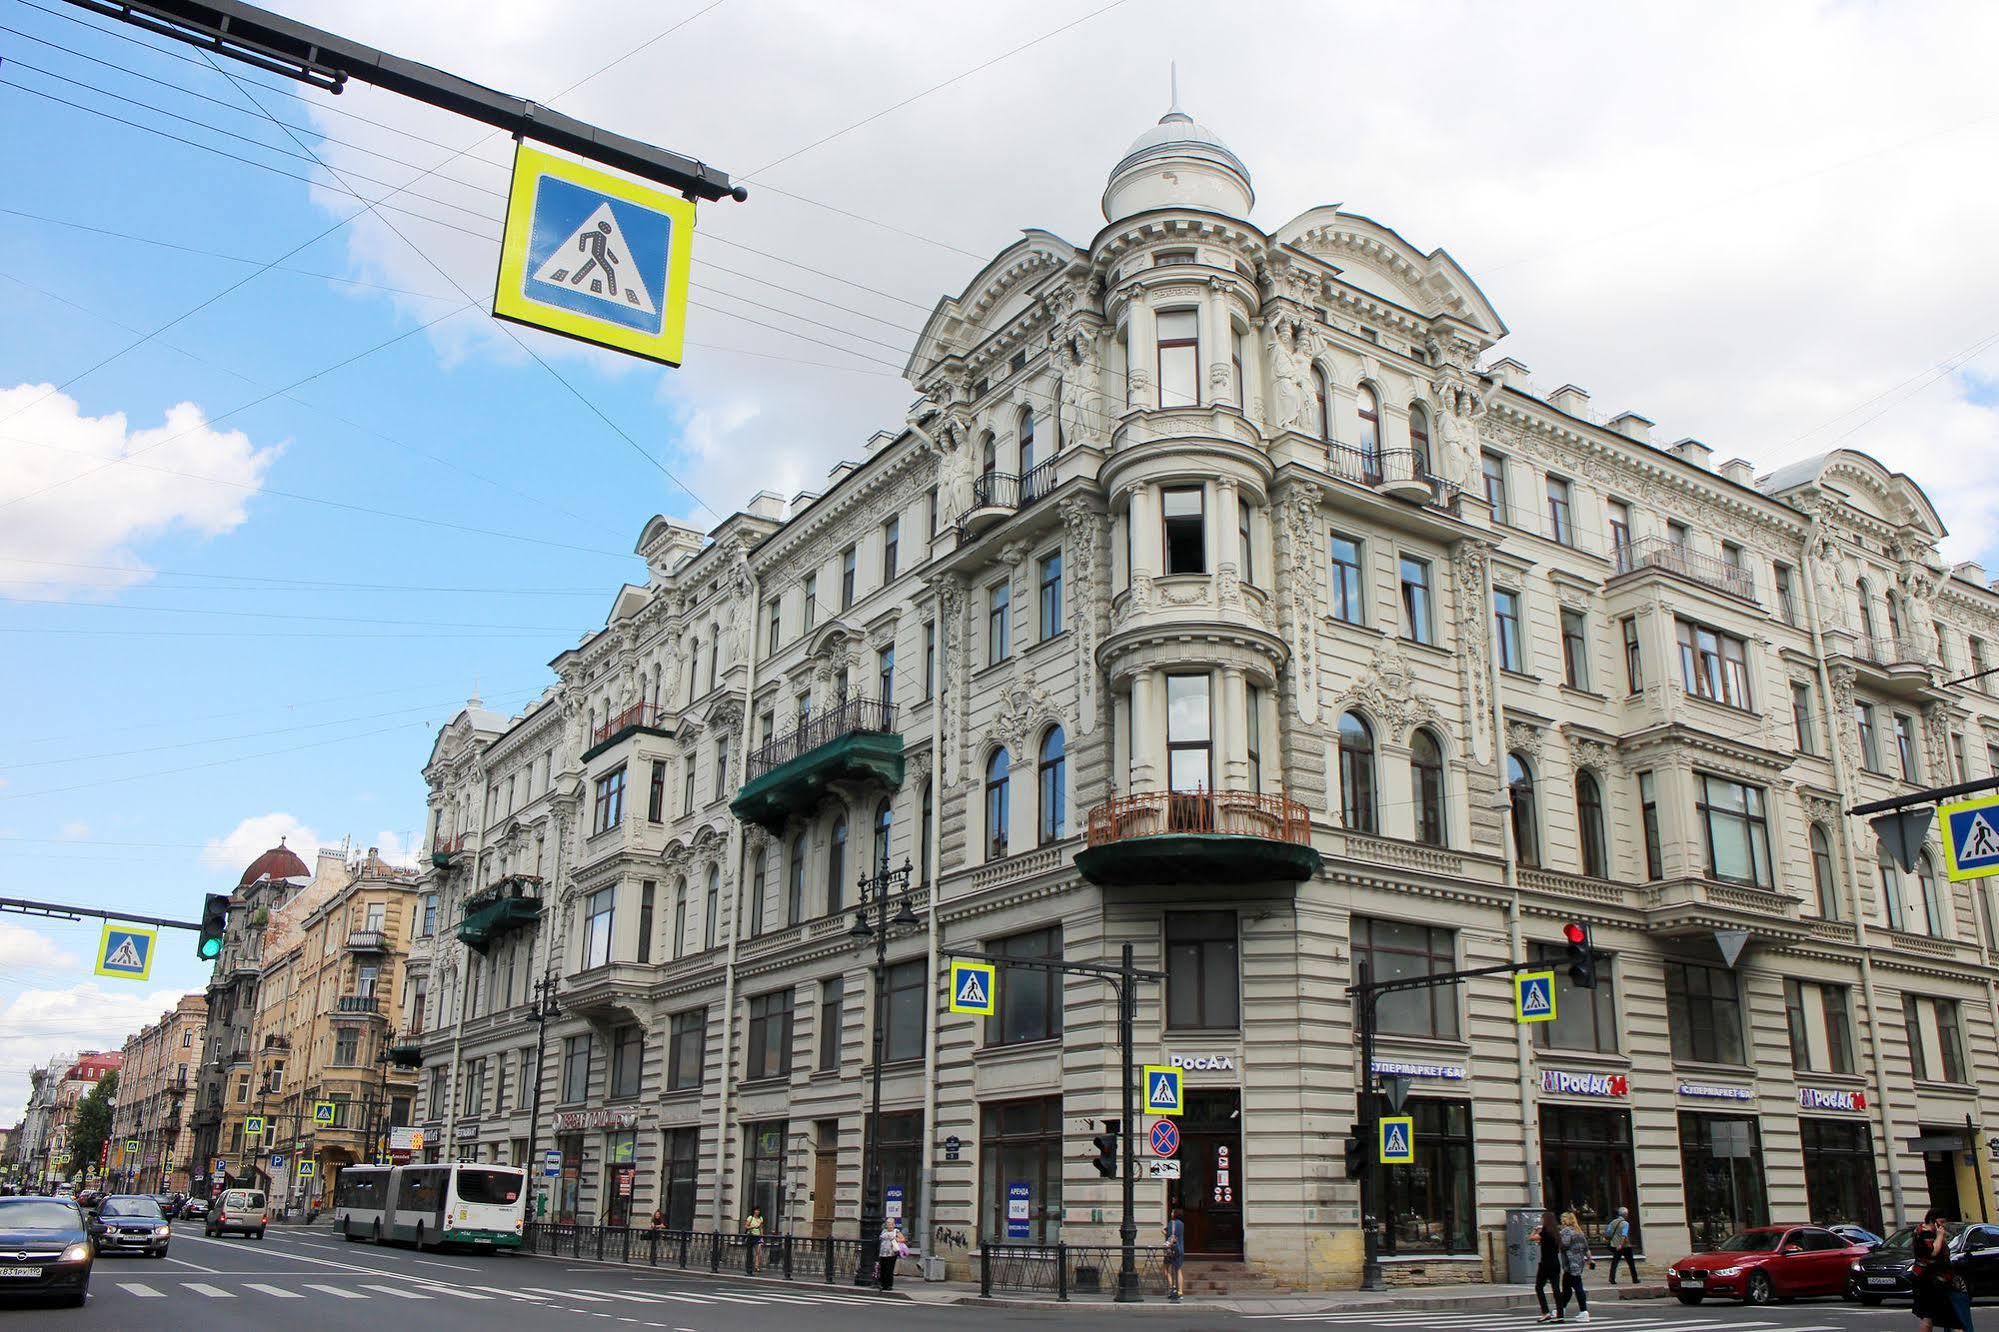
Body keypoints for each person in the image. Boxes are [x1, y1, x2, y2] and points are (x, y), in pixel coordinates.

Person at [1913, 1210, 1970, 1332]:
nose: (1943, 1225)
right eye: (1941, 1222)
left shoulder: (1923, 1231)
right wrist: (1940, 1236)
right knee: (1954, 1320)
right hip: (1932, 1281)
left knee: (1929, 1318)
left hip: (1930, 1279)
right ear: (1932, 1220)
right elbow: (1932, 1253)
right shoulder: (1925, 1233)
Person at [1556, 1210, 1592, 1324]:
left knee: (1577, 1288)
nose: (1561, 1222)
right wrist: (1590, 1260)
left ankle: (1584, 1311)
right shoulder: (1579, 1231)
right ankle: (1561, 1309)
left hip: (1571, 1264)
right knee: (1567, 1288)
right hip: (1579, 1263)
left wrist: (1556, 1239)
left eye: (1562, 1220)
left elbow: (1564, 1245)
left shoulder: (1566, 1231)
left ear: (1565, 1220)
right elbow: (1587, 1249)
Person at [1533, 1210, 1564, 1323]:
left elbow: (1531, 1238)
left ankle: (1545, 1312)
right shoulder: (1556, 1232)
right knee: (1556, 1289)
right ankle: (1560, 1315)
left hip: (1545, 1263)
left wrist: (1536, 1230)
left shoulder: (1545, 1232)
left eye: (1542, 1219)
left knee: (1539, 1287)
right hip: (1555, 1263)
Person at [1603, 1207, 1635, 1284]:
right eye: (1627, 1214)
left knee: (1614, 1263)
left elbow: (1608, 1233)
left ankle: (1612, 1278)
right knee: (1631, 1263)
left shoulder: (1613, 1222)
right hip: (1625, 1246)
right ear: (1625, 1214)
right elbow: (1624, 1235)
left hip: (1614, 1245)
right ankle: (1635, 1279)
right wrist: (1621, 1244)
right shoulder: (1625, 1223)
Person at [876, 1218, 906, 1291]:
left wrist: (896, 1239)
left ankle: (889, 1285)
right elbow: (880, 1240)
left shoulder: (896, 1231)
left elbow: (903, 1239)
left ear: (894, 1225)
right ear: (886, 1225)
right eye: (888, 1224)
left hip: (892, 1253)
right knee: (883, 1269)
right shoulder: (884, 1231)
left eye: (891, 1224)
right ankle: (883, 1285)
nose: (890, 1226)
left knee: (889, 1270)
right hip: (883, 1253)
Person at [1163, 1207, 1186, 1302]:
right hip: (1180, 1249)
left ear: (1175, 1214)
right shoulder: (1181, 1224)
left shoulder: (1172, 1223)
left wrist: (1163, 1232)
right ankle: (1180, 1291)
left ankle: (1173, 1289)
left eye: (1172, 1212)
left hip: (1172, 1249)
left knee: (1165, 1269)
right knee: (1178, 1270)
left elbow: (1171, 1236)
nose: (1171, 1213)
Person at [744, 1205, 765, 1274]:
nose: (757, 1212)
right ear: (754, 1211)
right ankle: (749, 1265)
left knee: (758, 1252)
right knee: (750, 1252)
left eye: (758, 1210)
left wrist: (762, 1237)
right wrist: (752, 1226)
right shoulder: (750, 1218)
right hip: (751, 1236)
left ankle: (757, 1267)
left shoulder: (760, 1218)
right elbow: (746, 1226)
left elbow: (761, 1228)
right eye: (756, 1210)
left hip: (757, 1236)